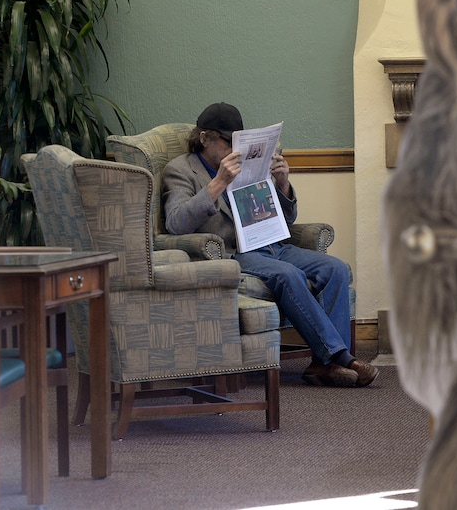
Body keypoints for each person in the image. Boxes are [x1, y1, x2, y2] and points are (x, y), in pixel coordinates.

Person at [162, 102, 379, 387]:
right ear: (204, 138)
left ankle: (321, 365)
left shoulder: (250, 164)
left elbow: (286, 219)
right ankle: (341, 358)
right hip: (235, 252)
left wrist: (282, 182)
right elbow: (176, 223)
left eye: (238, 141)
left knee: (336, 268)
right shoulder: (179, 170)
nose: (234, 149)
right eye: (228, 141)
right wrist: (219, 182)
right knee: (289, 275)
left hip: (272, 244)